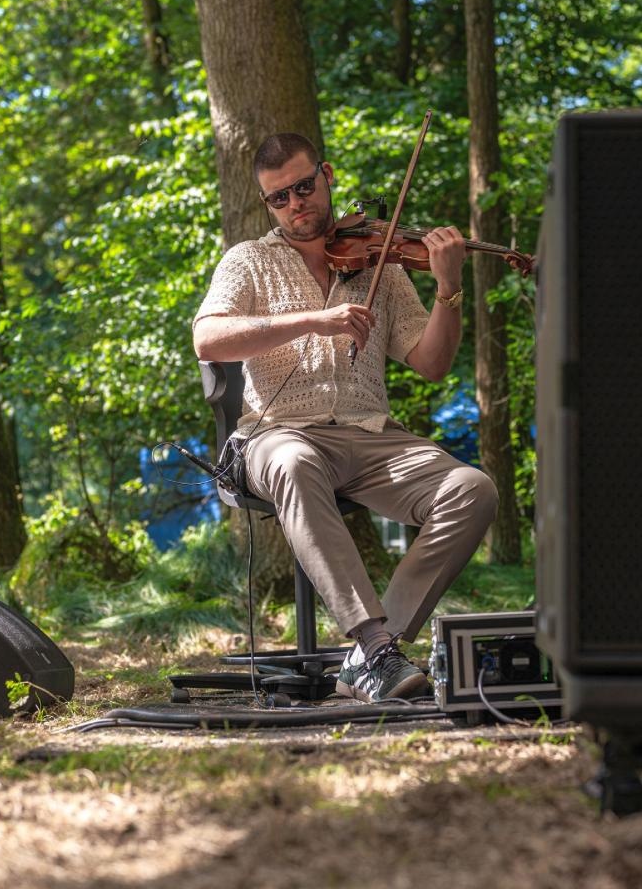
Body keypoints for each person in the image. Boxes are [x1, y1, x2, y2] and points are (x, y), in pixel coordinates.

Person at [193, 132, 497, 703]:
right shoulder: (249, 260)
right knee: (293, 460)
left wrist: (449, 288)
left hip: (370, 433)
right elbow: (207, 337)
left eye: (303, 188)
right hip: (279, 431)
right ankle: (378, 647)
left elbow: (431, 362)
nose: (294, 205)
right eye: (278, 198)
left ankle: (368, 656)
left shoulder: (379, 257)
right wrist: (315, 319)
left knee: (472, 488)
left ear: (326, 176)